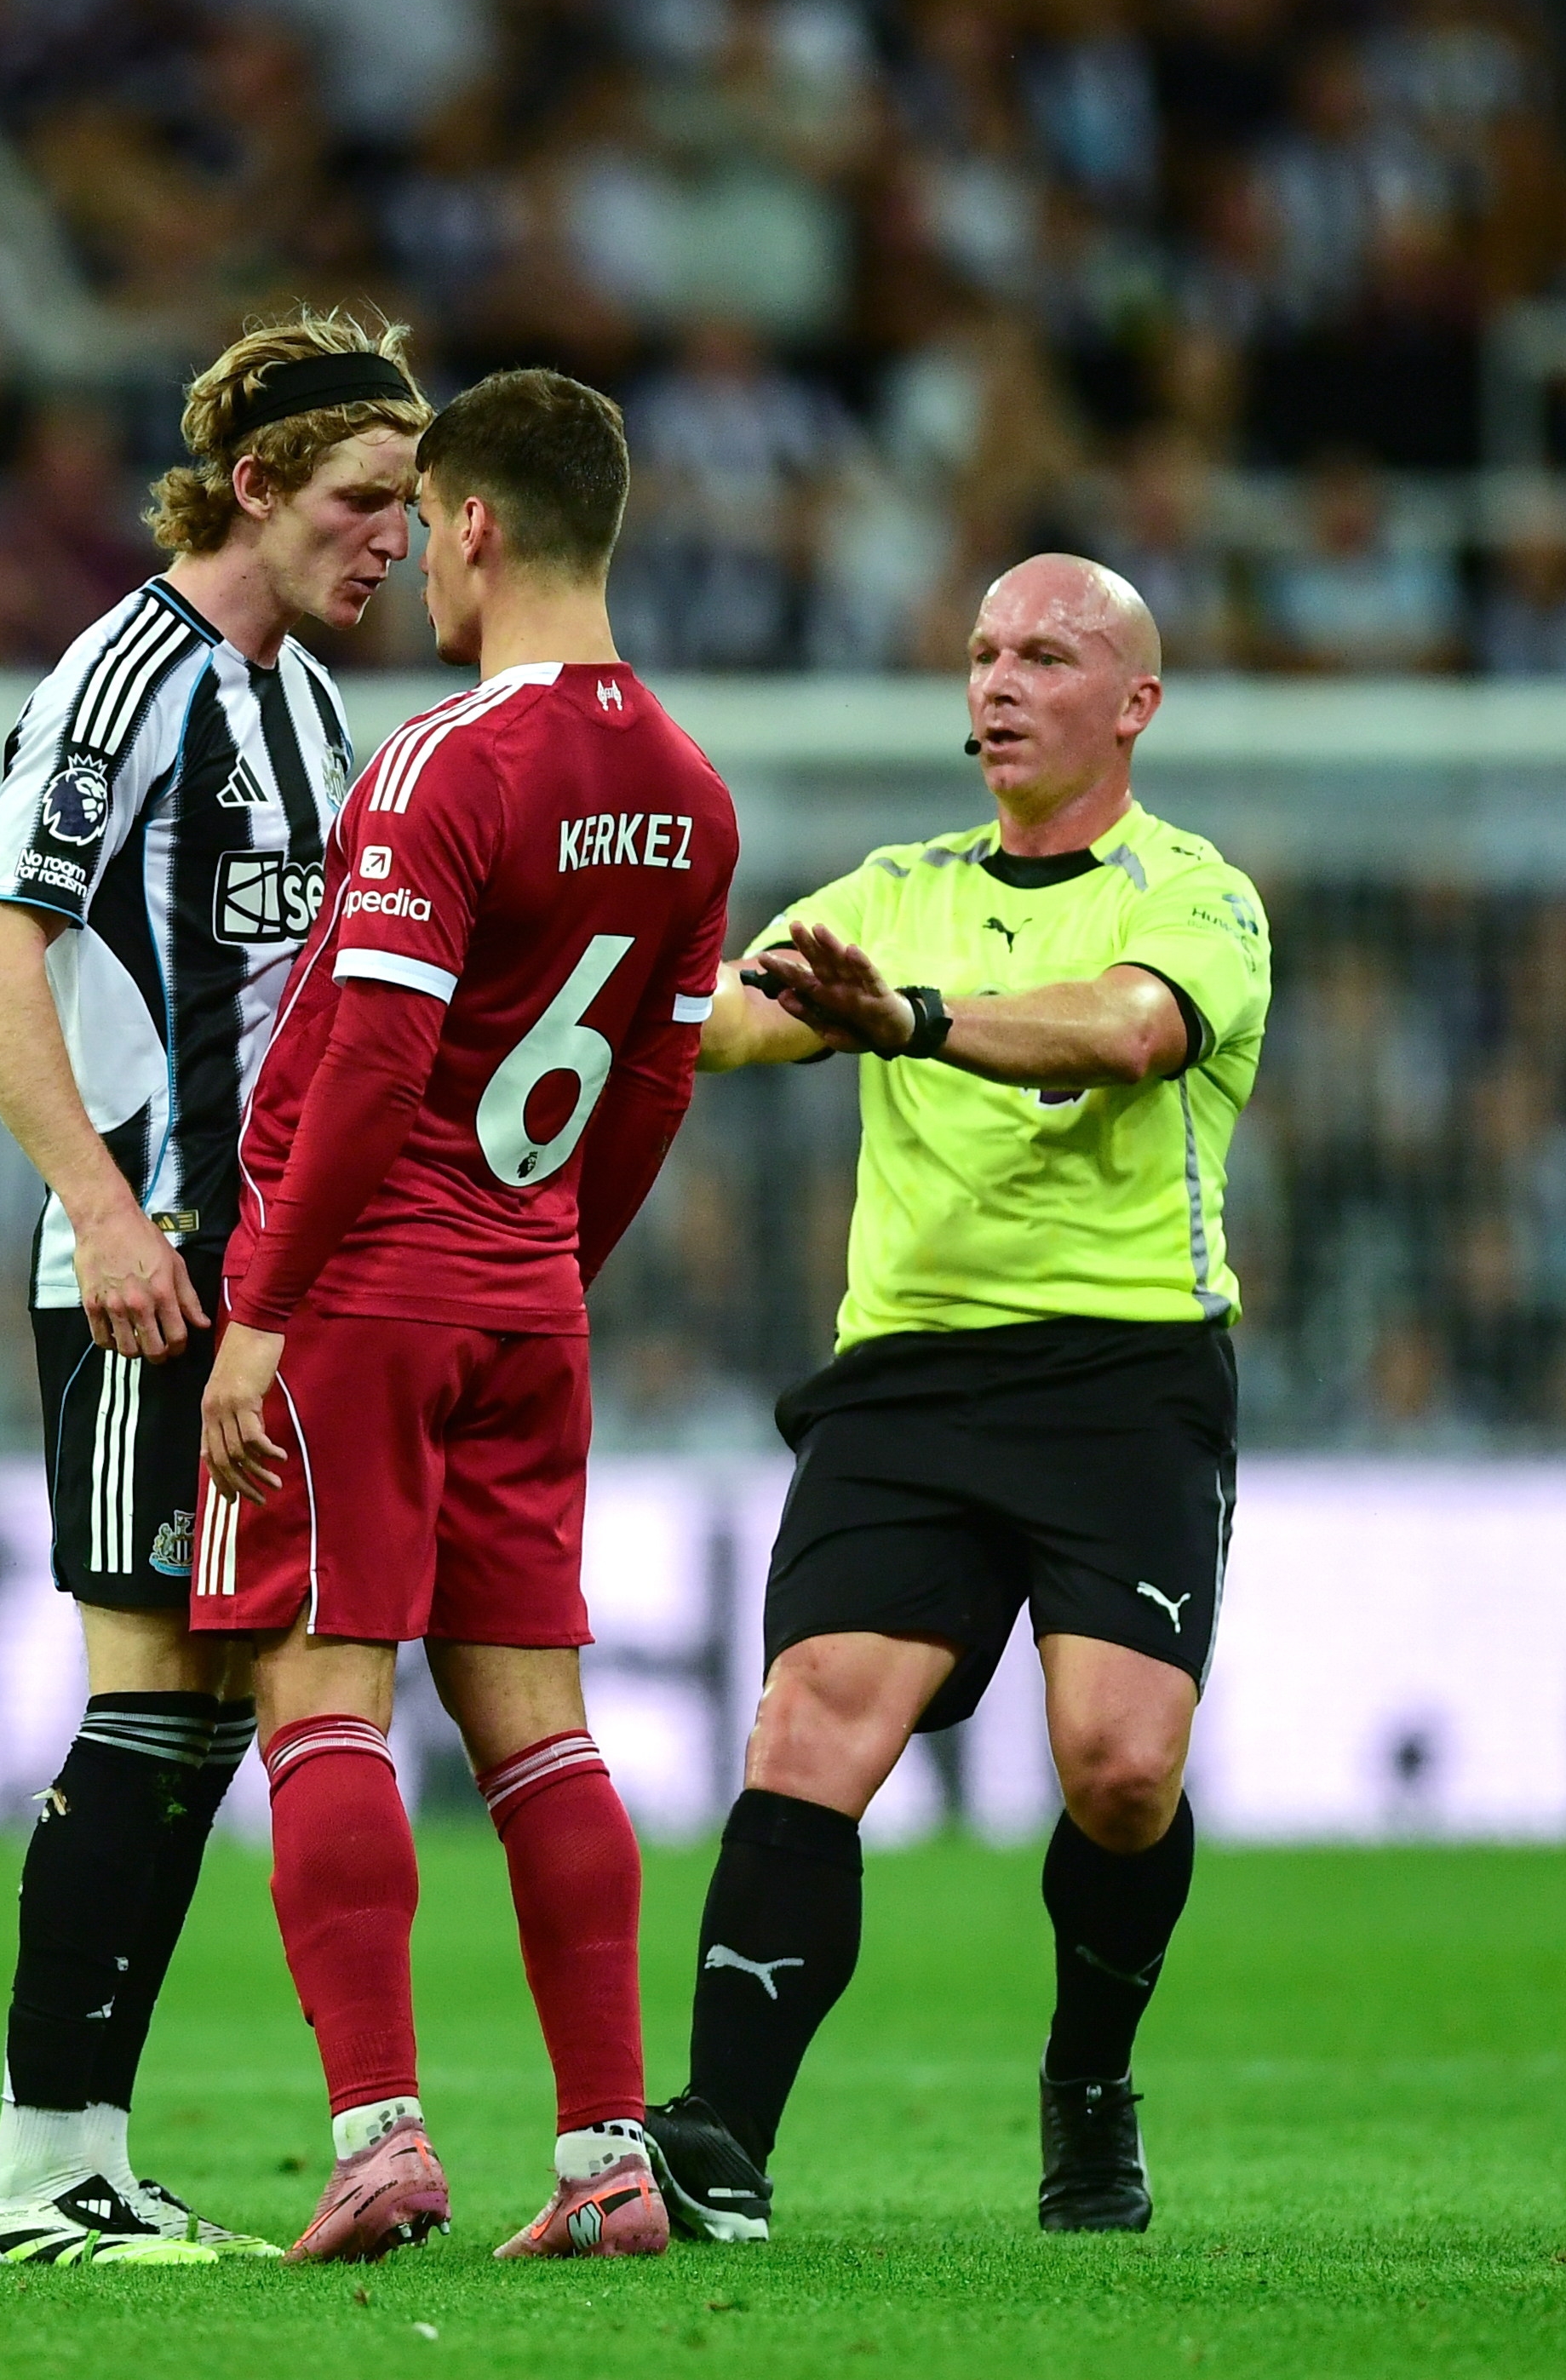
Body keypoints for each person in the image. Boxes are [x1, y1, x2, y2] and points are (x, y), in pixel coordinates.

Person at [656, 552, 1273, 2242]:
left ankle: (1086, 2076)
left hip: (1124, 1375)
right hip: (906, 1376)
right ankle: (717, 2132)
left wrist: (911, 1020)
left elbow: (1127, 1032)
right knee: (808, 1717)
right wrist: (567, 977)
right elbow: (721, 1021)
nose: (997, 680)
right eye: (984, 650)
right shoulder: (891, 883)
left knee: (1118, 1769)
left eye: (1047, 654)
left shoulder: (1194, 894)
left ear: (1130, 703)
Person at [193, 369, 738, 2266]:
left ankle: (377, 2136)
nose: (415, 556)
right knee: (539, 1727)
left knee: (321, 1689)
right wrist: (548, 1262)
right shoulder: (685, 786)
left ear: (480, 526)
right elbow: (655, 1087)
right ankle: (607, 2152)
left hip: (364, 1292)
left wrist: (262, 1308)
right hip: (527, 1297)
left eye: (425, 523)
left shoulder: (443, 761)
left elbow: (364, 1065)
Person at [0, 307, 425, 2268]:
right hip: (145, 1267)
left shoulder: (304, 702)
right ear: (252, 483)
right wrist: (108, 1212)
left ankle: (82, 2150)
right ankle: (30, 2170)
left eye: (404, 504)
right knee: (147, 1689)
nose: (393, 537)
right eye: (361, 500)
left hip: (258, 1280)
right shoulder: (122, 676)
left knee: (201, 1705)